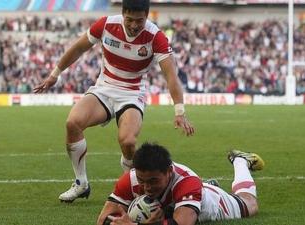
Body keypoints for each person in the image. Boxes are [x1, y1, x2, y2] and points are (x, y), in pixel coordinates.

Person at [33, 0, 194, 203]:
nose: (134, 25)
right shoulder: (106, 25)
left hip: (132, 94)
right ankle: (81, 183)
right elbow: (77, 48)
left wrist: (179, 111)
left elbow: (171, 75)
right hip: (104, 88)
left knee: (128, 141)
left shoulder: (156, 37)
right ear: (122, 14)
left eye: (140, 21)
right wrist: (55, 74)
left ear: (148, 16)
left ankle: (130, 190)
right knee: (72, 123)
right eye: (129, 20)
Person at [97, 142, 265, 225]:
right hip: (187, 196)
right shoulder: (130, 180)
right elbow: (103, 219)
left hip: (212, 204)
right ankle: (202, 189)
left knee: (250, 203)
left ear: (169, 171)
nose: (146, 187)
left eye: (153, 181)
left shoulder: (186, 180)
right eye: (142, 181)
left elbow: (182, 223)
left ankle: (240, 161)